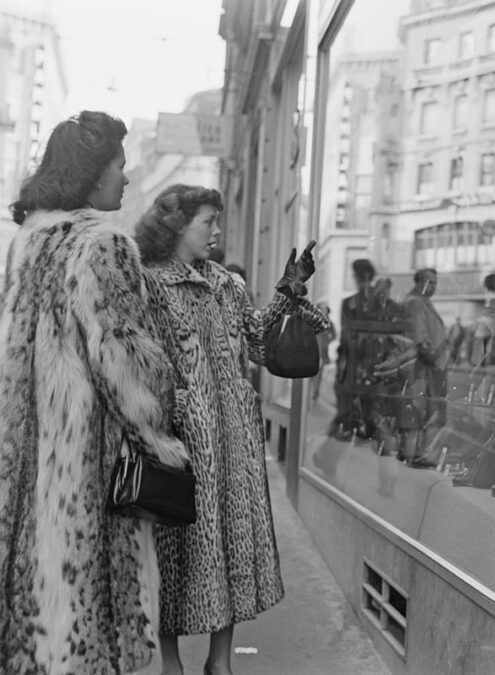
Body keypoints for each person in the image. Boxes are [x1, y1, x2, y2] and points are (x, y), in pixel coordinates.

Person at [0, 111, 188, 674]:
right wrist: (163, 436)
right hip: (90, 468)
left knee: (38, 618)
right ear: (91, 173)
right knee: (90, 626)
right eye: (119, 167)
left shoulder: (25, 245)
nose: (126, 180)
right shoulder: (103, 245)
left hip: (28, 464)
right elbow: (124, 365)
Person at [133, 184, 329, 675]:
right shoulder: (148, 284)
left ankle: (220, 662)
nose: (217, 231)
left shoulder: (227, 284)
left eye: (218, 221)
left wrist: (290, 291)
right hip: (179, 444)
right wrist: (167, 419)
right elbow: (136, 364)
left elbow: (262, 346)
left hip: (235, 440)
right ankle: (171, 663)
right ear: (177, 226)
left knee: (232, 546)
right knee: (174, 552)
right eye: (208, 222)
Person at [400, 268, 448, 466]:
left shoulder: (421, 301)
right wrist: (434, 359)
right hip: (422, 365)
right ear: (419, 282)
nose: (434, 286)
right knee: (419, 408)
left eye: (436, 282)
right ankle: (414, 454)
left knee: (420, 407)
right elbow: (420, 337)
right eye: (430, 282)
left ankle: (411, 451)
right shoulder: (416, 302)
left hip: (423, 364)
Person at [331, 258, 377, 439]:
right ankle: (366, 426)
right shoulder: (382, 302)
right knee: (369, 399)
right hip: (373, 362)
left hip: (353, 361)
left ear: (357, 277)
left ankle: (348, 425)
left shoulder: (349, 303)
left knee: (346, 395)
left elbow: (346, 335)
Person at [311, 302, 336, 400]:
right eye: (322, 308)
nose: (324, 310)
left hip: (322, 351)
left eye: (325, 308)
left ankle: (315, 395)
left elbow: (334, 335)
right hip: (313, 350)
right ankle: (308, 396)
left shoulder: (329, 323)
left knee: (318, 375)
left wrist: (328, 340)